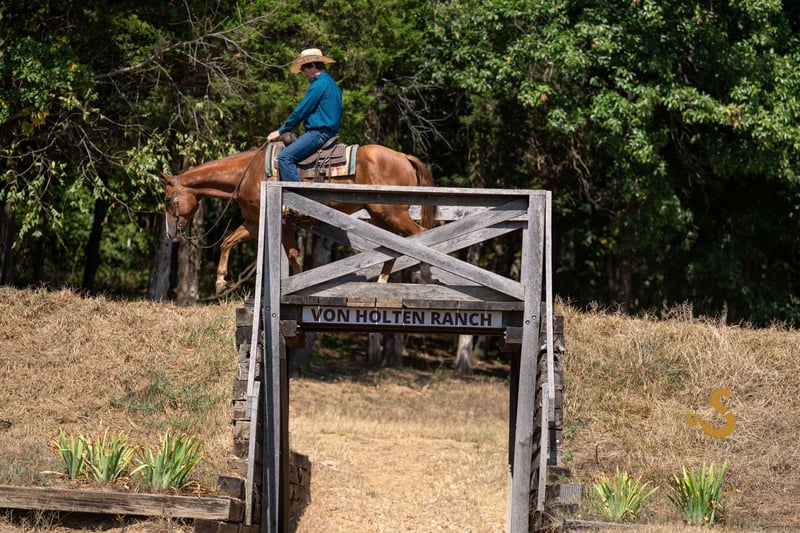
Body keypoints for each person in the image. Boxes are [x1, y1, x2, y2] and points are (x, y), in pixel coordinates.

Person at [267, 48, 343, 182]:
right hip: (328, 132)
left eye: (304, 69)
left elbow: (301, 111)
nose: (304, 74)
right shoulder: (332, 84)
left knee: (284, 157)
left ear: (312, 66)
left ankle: (295, 195)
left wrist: (280, 131)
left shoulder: (319, 85)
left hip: (318, 133)